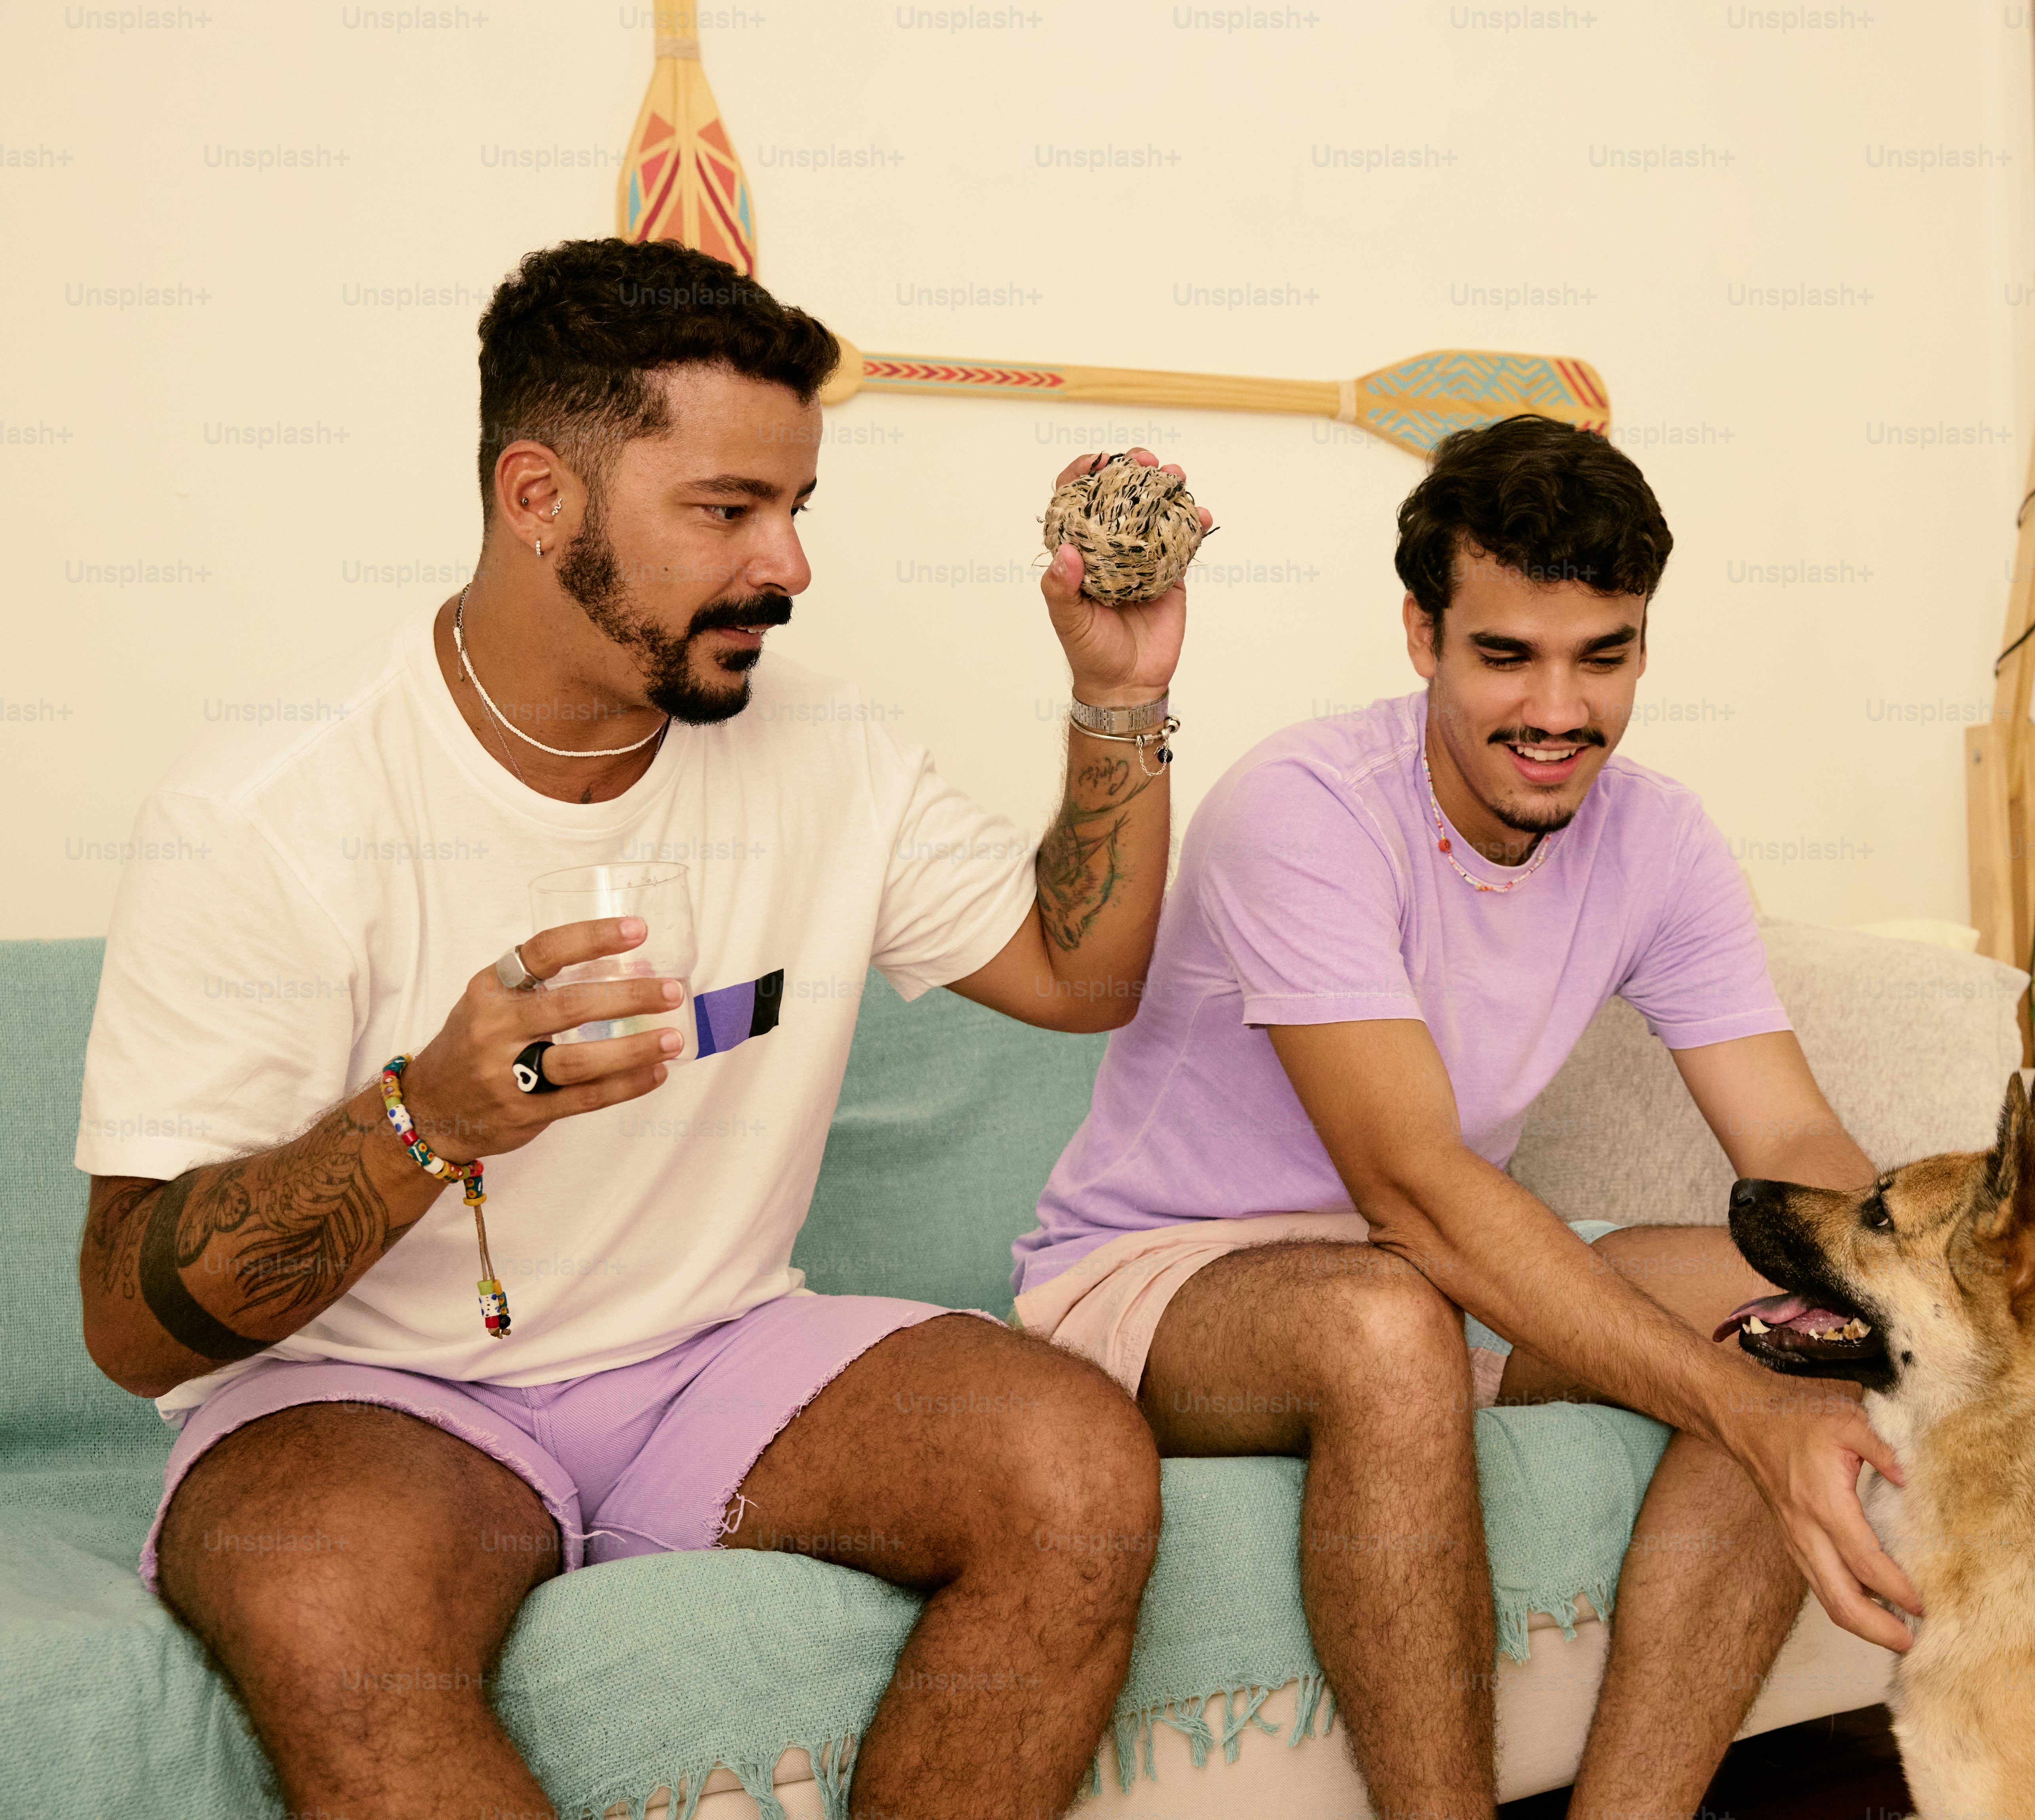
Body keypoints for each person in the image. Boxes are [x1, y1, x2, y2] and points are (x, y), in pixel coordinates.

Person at [74, 237, 1192, 1820]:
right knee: (325, 1602)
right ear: (542, 499)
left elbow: (1082, 977)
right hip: (370, 1396)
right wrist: (425, 1119)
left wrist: (1119, 699)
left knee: (1072, 1467)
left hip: (713, 1351)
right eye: (729, 511)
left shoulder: (832, 755)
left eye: (796, 509)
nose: (789, 566)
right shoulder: (269, 811)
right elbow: (126, 1317)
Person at [1012, 413, 1919, 1820]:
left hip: (1435, 1274)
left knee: (1809, 1300)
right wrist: (1736, 1408)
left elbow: (1793, 1150)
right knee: (1387, 1326)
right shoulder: (1306, 810)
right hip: (1162, 1282)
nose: (1558, 710)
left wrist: (1897, 1285)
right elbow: (1416, 1188)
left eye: (1601, 657)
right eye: (1506, 656)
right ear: (1423, 637)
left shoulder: (1660, 840)